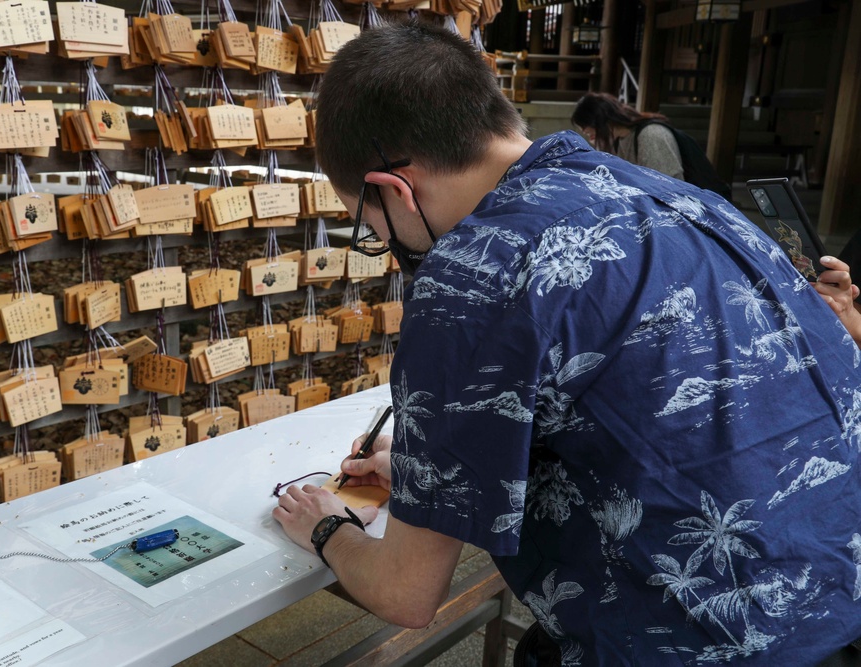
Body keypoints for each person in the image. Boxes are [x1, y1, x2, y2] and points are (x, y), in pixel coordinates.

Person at [272, 21, 861, 666]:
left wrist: (326, 528)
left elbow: (405, 593)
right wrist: (436, 469)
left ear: (394, 191)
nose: (386, 245)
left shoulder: (475, 270)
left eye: (371, 226)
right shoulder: (686, 200)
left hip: (705, 644)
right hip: (836, 602)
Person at [571, 92, 684, 180]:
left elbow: (665, 185)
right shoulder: (616, 140)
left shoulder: (651, 135)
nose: (584, 131)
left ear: (602, 122)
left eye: (586, 127)